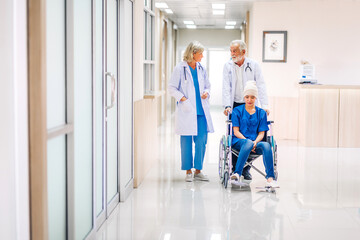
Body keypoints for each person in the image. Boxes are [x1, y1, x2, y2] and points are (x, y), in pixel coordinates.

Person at [222, 39, 270, 182]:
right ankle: (236, 167)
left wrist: (265, 105)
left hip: (252, 102)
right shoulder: (228, 65)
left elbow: (261, 85)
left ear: (243, 52)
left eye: (235, 51)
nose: (232, 54)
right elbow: (226, 86)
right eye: (231, 51)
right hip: (236, 104)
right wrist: (226, 106)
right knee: (237, 136)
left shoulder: (253, 65)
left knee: (253, 134)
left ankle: (246, 169)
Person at [168, 41, 214, 182]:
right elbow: (172, 88)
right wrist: (183, 99)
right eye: (200, 53)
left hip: (201, 111)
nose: (202, 56)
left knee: (201, 141)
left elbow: (207, 85)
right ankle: (188, 171)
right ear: (193, 54)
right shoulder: (179, 69)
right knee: (186, 141)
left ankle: (198, 171)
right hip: (187, 110)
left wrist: (206, 92)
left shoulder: (201, 68)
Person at [230, 81, 278, 187]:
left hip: (256, 142)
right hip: (239, 141)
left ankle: (270, 178)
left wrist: (255, 142)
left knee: (266, 145)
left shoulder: (261, 113)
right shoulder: (237, 111)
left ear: (255, 98)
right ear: (244, 97)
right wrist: (249, 142)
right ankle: (237, 173)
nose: (249, 100)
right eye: (247, 97)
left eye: (252, 97)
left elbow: (262, 133)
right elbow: (236, 131)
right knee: (247, 142)